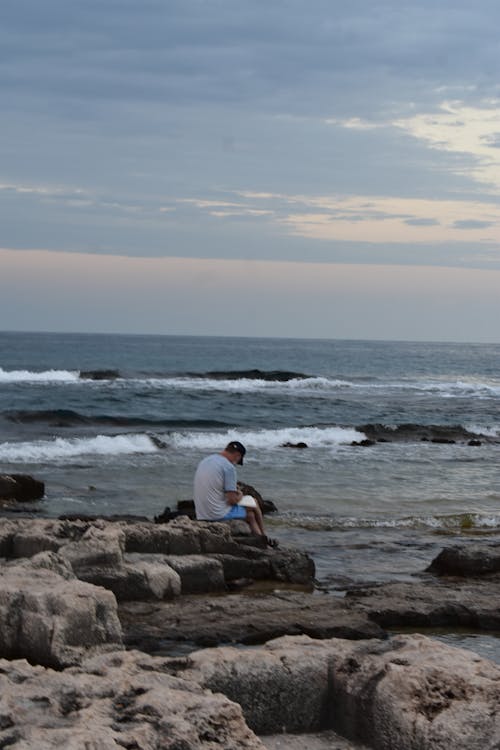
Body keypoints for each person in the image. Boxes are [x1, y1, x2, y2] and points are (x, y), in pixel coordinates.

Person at [193, 440, 266, 536]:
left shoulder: (205, 461)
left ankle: (259, 538)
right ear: (238, 455)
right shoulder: (228, 467)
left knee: (250, 516)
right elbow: (232, 501)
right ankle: (264, 536)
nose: (235, 463)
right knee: (254, 504)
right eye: (238, 461)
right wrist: (240, 495)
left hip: (201, 513)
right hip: (217, 514)